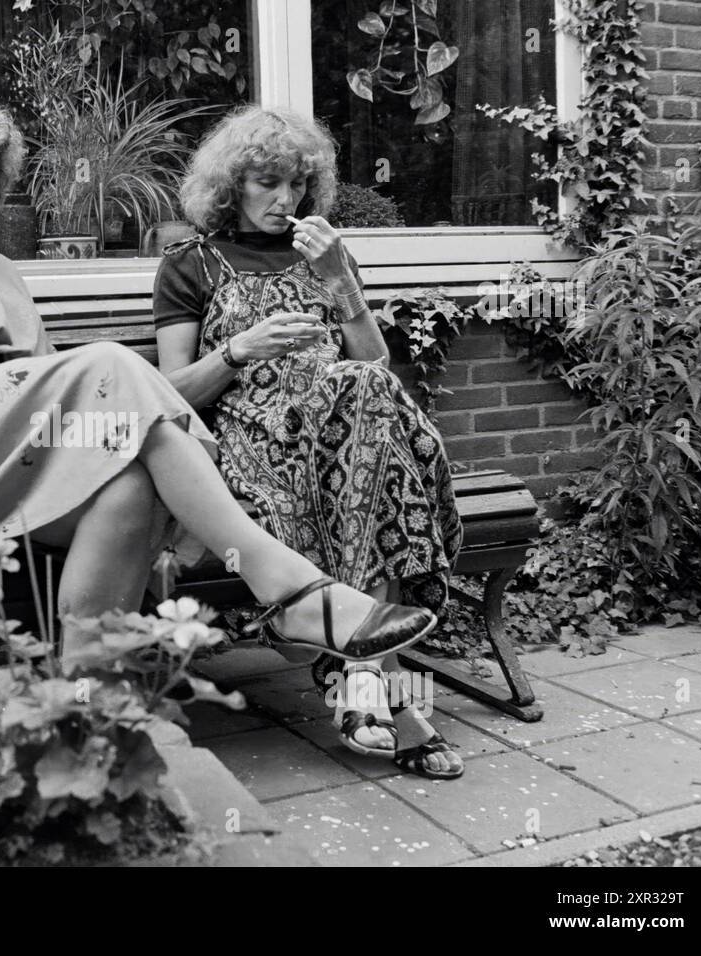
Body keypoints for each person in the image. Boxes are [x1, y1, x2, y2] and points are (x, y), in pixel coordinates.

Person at [0, 88, 439, 674]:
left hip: (9, 449)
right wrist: (28, 392)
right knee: (113, 364)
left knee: (131, 486)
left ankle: (94, 698)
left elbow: (55, 391)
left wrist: (42, 396)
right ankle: (289, 587)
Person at [153, 105, 464, 779]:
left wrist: (339, 283)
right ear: (232, 185)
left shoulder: (326, 253)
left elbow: (375, 365)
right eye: (268, 182)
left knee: (361, 396)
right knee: (371, 436)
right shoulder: (191, 265)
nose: (286, 199)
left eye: (297, 183)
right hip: (251, 439)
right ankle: (375, 691)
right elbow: (169, 396)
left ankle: (359, 677)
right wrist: (239, 348)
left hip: (348, 438)